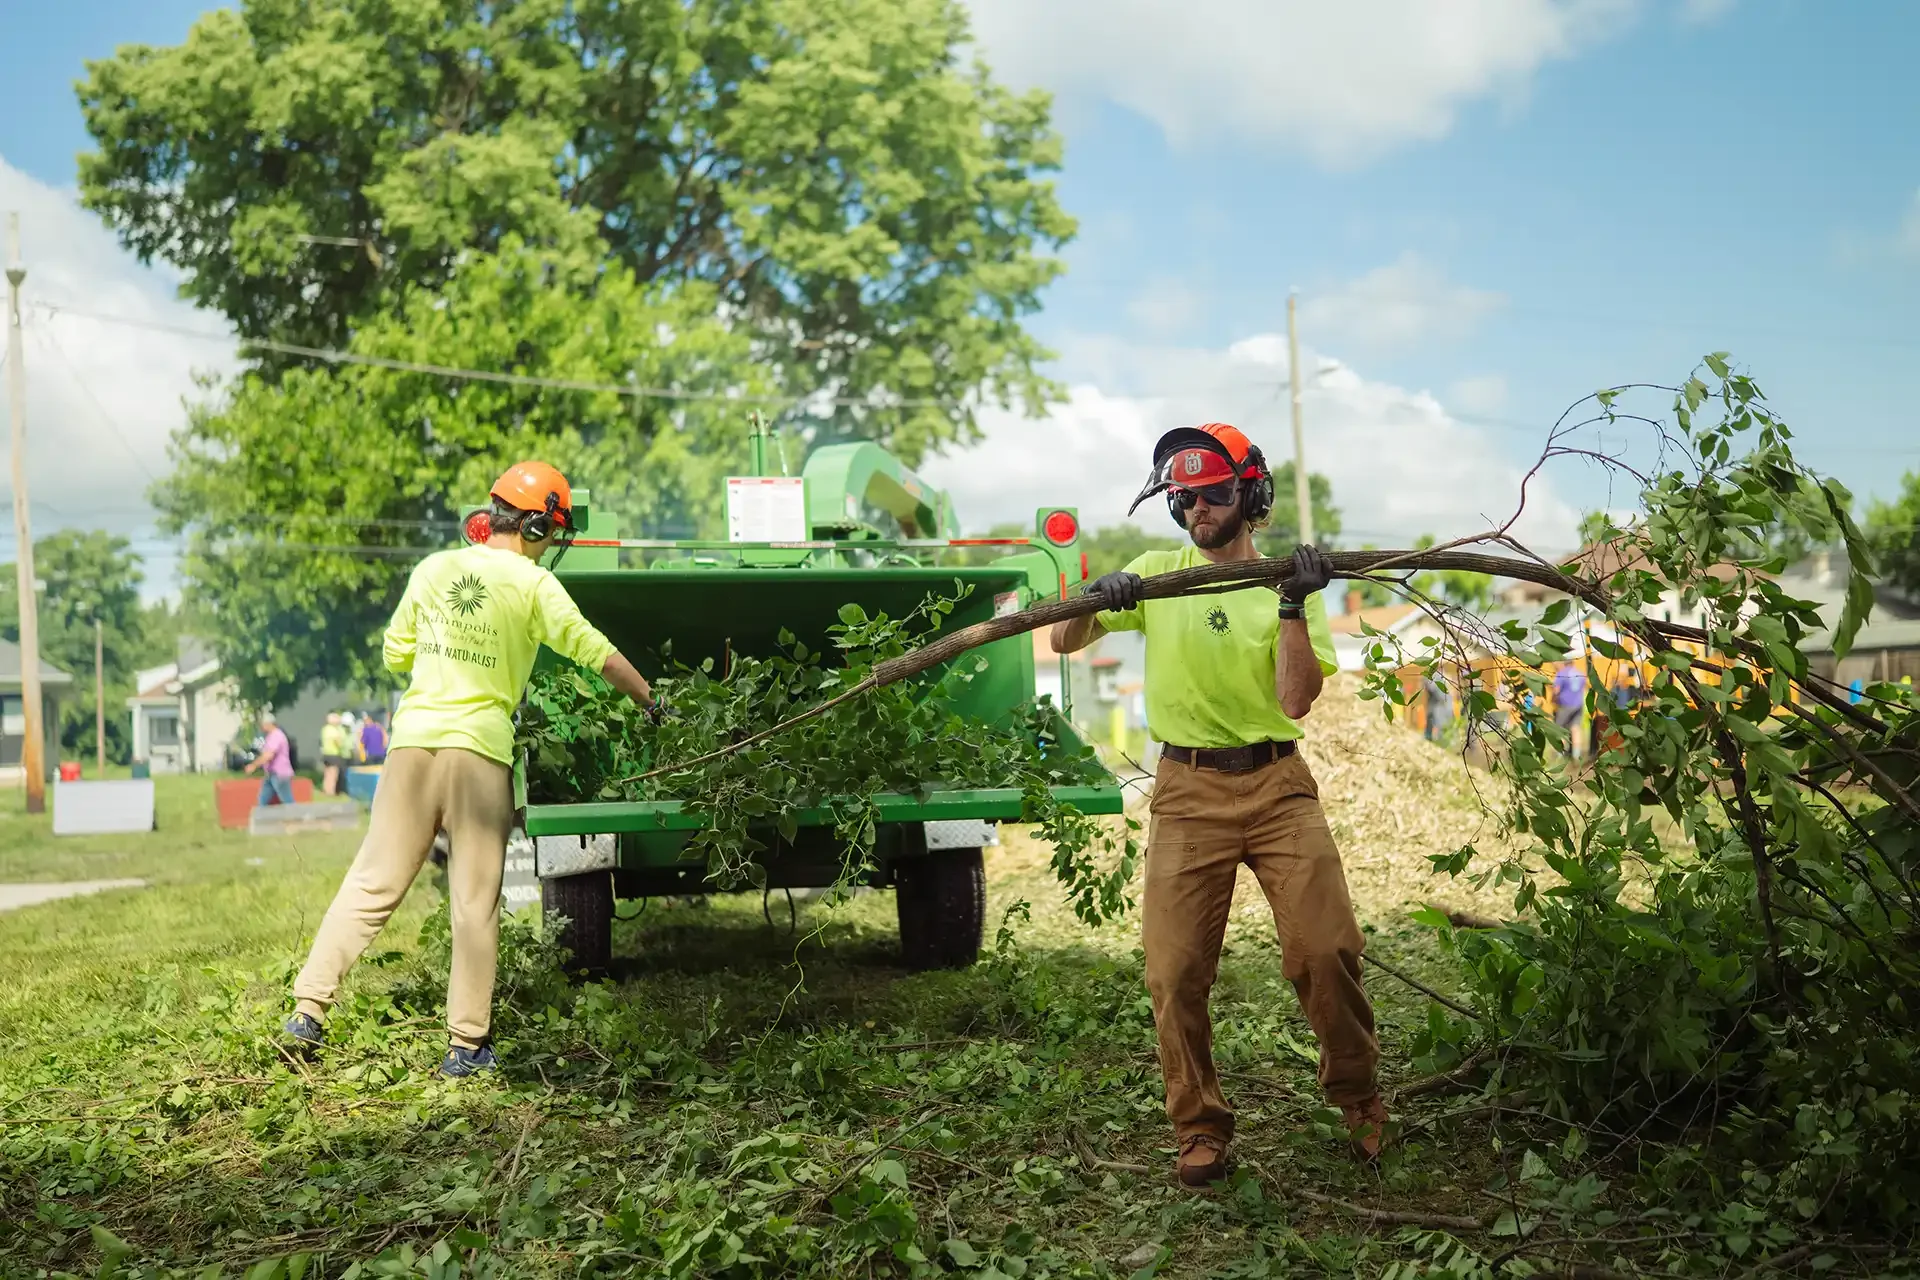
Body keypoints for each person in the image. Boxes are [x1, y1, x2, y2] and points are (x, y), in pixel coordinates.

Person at [1050, 421, 1387, 1188]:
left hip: (1277, 786)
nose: (1197, 508)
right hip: (1186, 789)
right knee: (1174, 970)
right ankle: (1199, 1126)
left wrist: (1295, 605)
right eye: (1184, 498)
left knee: (1326, 951)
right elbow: (1068, 640)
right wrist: (1093, 598)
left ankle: (1358, 1096)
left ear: (1250, 495)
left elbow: (1297, 699)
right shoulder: (1157, 572)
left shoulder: (1285, 578)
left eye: (1211, 494)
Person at [283, 462, 660, 1078]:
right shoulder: (535, 587)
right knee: (475, 901)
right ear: (539, 525)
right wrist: (652, 701)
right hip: (479, 755)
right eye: (553, 535)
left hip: (410, 750)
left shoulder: (434, 569)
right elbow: (599, 654)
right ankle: (465, 1047)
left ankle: (308, 1011)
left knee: (371, 883)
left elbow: (394, 652)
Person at [244, 711, 296, 806]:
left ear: (269, 724)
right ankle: (260, 818)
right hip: (271, 774)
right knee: (263, 799)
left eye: (263, 724)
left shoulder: (277, 735)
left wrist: (253, 765)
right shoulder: (270, 736)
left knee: (287, 800)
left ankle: (296, 818)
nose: (261, 726)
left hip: (280, 774)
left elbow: (268, 755)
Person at [1551, 662, 1586, 758]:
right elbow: (1583, 689)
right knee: (1575, 729)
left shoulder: (1562, 674)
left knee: (1560, 729)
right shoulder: (1580, 673)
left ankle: (1560, 755)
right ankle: (1576, 755)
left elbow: (1556, 690)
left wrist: (1553, 700)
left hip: (1565, 705)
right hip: (1578, 705)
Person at [319, 712, 350, 796]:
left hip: (326, 753)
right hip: (334, 754)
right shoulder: (334, 730)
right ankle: (331, 792)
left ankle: (325, 789)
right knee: (333, 774)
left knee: (327, 773)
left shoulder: (325, 729)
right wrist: (342, 747)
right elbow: (337, 741)